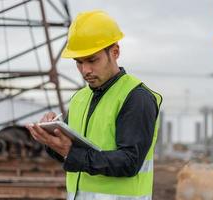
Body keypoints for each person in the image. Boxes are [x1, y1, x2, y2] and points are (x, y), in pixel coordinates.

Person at [26, 10, 162, 200]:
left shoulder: (136, 97)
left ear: (115, 52)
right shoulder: (80, 98)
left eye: (92, 60)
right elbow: (70, 155)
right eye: (79, 62)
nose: (85, 70)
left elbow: (129, 162)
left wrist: (70, 152)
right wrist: (51, 139)